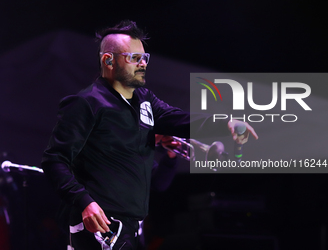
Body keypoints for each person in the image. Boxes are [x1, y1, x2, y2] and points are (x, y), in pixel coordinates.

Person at [41, 20, 258, 250]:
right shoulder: (86, 103)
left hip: (131, 227)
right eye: (134, 58)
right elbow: (54, 159)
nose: (143, 63)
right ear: (108, 60)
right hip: (99, 226)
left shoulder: (144, 100)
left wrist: (225, 123)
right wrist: (84, 202)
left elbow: (180, 119)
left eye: (145, 57)